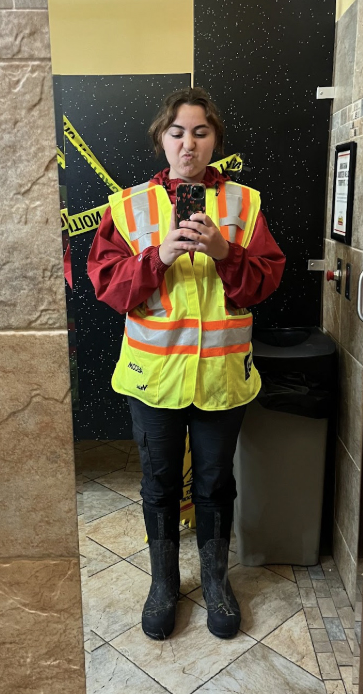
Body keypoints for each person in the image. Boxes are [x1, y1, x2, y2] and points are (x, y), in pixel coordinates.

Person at [88, 87, 285, 641]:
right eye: (177, 132)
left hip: (222, 376)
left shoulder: (245, 204)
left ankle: (217, 583)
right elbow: (110, 287)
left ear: (215, 140)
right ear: (161, 139)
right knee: (157, 482)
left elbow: (265, 281)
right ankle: (163, 586)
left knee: (216, 482)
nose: (188, 143)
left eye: (200, 132)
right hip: (154, 378)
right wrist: (159, 257)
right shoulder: (127, 207)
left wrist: (226, 253)